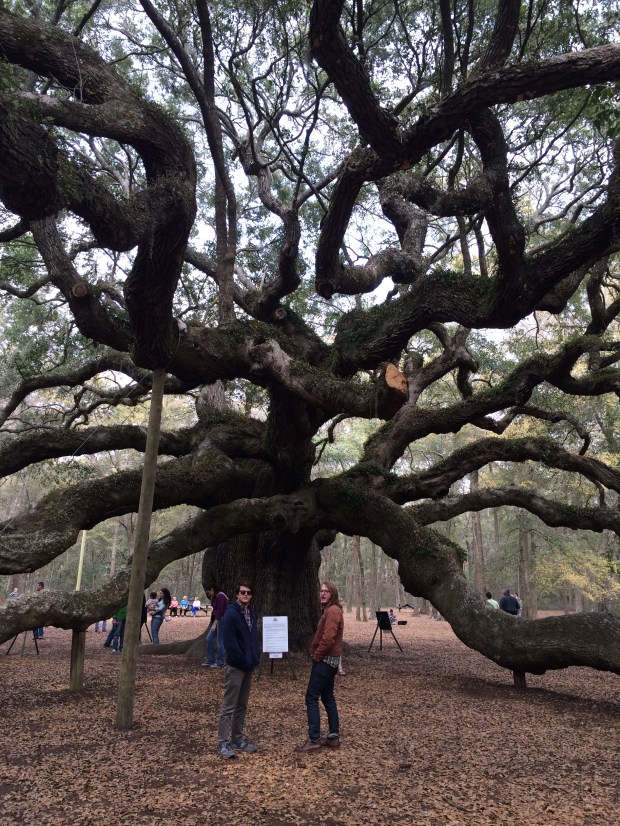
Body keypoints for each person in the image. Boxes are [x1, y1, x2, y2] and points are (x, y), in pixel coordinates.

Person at [295, 581, 344, 753]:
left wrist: (317, 655)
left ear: (333, 594)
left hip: (325, 661)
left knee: (311, 697)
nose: (322, 593)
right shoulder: (330, 610)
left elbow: (328, 638)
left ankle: (314, 739)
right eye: (321, 591)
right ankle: (333, 737)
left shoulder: (333, 611)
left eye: (326, 591)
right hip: (328, 660)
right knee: (327, 696)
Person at [217, 581, 260, 759]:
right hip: (235, 666)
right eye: (242, 592)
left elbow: (253, 638)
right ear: (237, 594)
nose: (245, 595)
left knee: (242, 705)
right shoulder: (231, 613)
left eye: (248, 592)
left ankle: (237, 739)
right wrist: (242, 659)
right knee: (229, 705)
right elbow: (229, 642)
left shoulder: (251, 612)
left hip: (249, 666)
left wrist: (255, 658)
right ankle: (222, 742)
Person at [203, 584, 228, 668]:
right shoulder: (216, 597)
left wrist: (214, 623)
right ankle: (211, 659)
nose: (208, 594)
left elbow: (220, 611)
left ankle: (220, 662)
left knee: (220, 641)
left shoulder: (221, 596)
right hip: (217, 620)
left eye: (208, 592)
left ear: (212, 589)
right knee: (209, 638)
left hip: (221, 620)